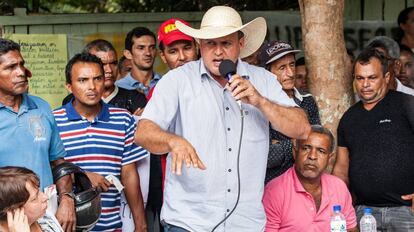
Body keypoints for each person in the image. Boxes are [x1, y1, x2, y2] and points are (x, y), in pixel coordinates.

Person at [135, 5, 310, 232]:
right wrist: (172, 141)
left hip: (245, 222)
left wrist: (260, 101)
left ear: (241, 43)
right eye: (210, 44)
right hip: (189, 221)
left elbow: (302, 128)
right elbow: (143, 132)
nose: (218, 52)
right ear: (200, 46)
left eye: (226, 43)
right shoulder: (176, 81)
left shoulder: (263, 80)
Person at [53, 53, 148, 231]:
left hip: (112, 224)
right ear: (69, 86)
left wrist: (141, 224)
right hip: (69, 225)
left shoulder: (123, 119)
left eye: (97, 79)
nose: (92, 87)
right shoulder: (54, 120)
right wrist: (83, 175)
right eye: (83, 80)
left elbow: (129, 173)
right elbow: (50, 168)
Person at [333, 47, 414, 231]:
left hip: (406, 212)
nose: (365, 84)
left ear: (386, 77)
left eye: (372, 78)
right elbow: (341, 169)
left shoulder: (406, 104)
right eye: (360, 78)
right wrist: (339, 207)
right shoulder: (349, 118)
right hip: (364, 213)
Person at [0, 38, 75, 232]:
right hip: (7, 218)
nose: (21, 72)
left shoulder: (41, 107)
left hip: (46, 210)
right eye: (10, 67)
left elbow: (58, 161)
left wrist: (66, 199)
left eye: (21, 64)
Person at [145, 18, 200, 232]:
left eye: (187, 47)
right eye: (173, 51)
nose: (182, 57)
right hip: (183, 197)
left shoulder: (220, 83)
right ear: (163, 56)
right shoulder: (159, 92)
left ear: (196, 47)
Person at [263, 125, 357, 232]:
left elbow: (351, 228)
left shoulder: (339, 187)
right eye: (306, 148)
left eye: (321, 151)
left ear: (329, 159)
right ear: (295, 152)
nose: (312, 156)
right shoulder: (275, 190)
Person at [259, 40, 320, 183]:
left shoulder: (307, 101)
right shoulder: (261, 105)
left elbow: (316, 146)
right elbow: (265, 157)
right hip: (272, 185)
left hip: (303, 184)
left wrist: (280, 145)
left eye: (292, 65)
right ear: (267, 73)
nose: (291, 73)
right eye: (282, 68)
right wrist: (297, 143)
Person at [62, 39, 147, 116]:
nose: (109, 70)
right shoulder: (71, 101)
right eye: (102, 64)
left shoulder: (135, 98)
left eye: (113, 63)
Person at [0, 166, 63, 232]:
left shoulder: (45, 216)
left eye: (39, 191)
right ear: (12, 211)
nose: (45, 197)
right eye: (35, 198)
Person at [115, 27, 161, 96]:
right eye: (141, 48)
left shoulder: (166, 82)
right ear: (128, 54)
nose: (148, 53)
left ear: (156, 51)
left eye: (152, 47)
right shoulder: (118, 87)